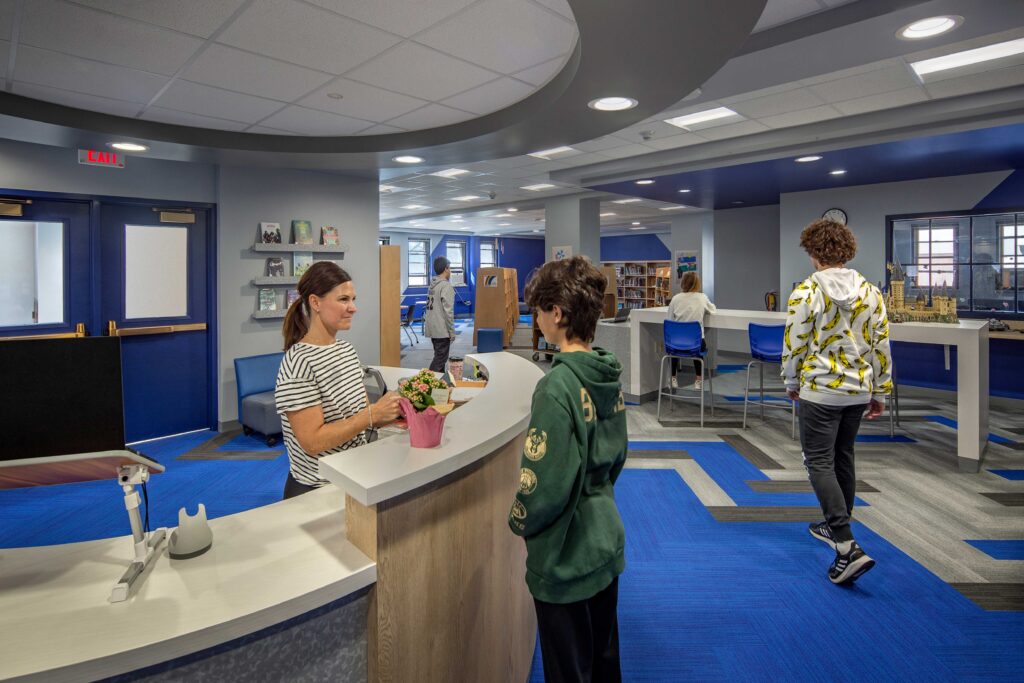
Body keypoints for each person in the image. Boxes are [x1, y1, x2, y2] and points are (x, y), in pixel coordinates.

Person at [508, 256, 628, 683]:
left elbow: (545, 484)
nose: (536, 321)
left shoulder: (555, 387)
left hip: (566, 554)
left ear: (556, 314)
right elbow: (617, 456)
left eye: (537, 312)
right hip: (605, 533)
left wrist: (519, 519)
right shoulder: (607, 374)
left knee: (567, 668)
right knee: (603, 658)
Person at [781, 218, 892, 585]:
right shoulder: (871, 292)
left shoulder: (806, 292)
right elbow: (881, 344)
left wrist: (792, 381)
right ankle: (837, 527)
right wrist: (879, 391)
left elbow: (795, 343)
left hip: (820, 389)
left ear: (813, 254)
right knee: (843, 456)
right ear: (846, 251)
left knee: (818, 461)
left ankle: (847, 547)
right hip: (857, 389)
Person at [275, 261, 402, 499]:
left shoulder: (347, 350)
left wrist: (395, 410)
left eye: (353, 299)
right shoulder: (298, 362)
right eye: (343, 300)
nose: (353, 308)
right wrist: (373, 414)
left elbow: (361, 417)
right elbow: (312, 441)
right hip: (318, 488)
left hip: (355, 475)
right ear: (315, 303)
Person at [667, 271, 716, 390]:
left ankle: (673, 377)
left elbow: (669, 319)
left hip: (676, 344)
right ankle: (698, 379)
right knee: (697, 347)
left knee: (674, 350)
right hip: (696, 345)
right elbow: (713, 310)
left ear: (683, 283)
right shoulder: (702, 297)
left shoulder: (675, 298)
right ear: (697, 284)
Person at [424, 255, 456, 373]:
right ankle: (428, 383)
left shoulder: (433, 285)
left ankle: (439, 388)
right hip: (442, 330)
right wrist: (452, 332)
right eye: (450, 268)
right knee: (440, 359)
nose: (450, 271)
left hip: (433, 328)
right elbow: (448, 312)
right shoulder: (445, 286)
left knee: (439, 357)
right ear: (446, 269)